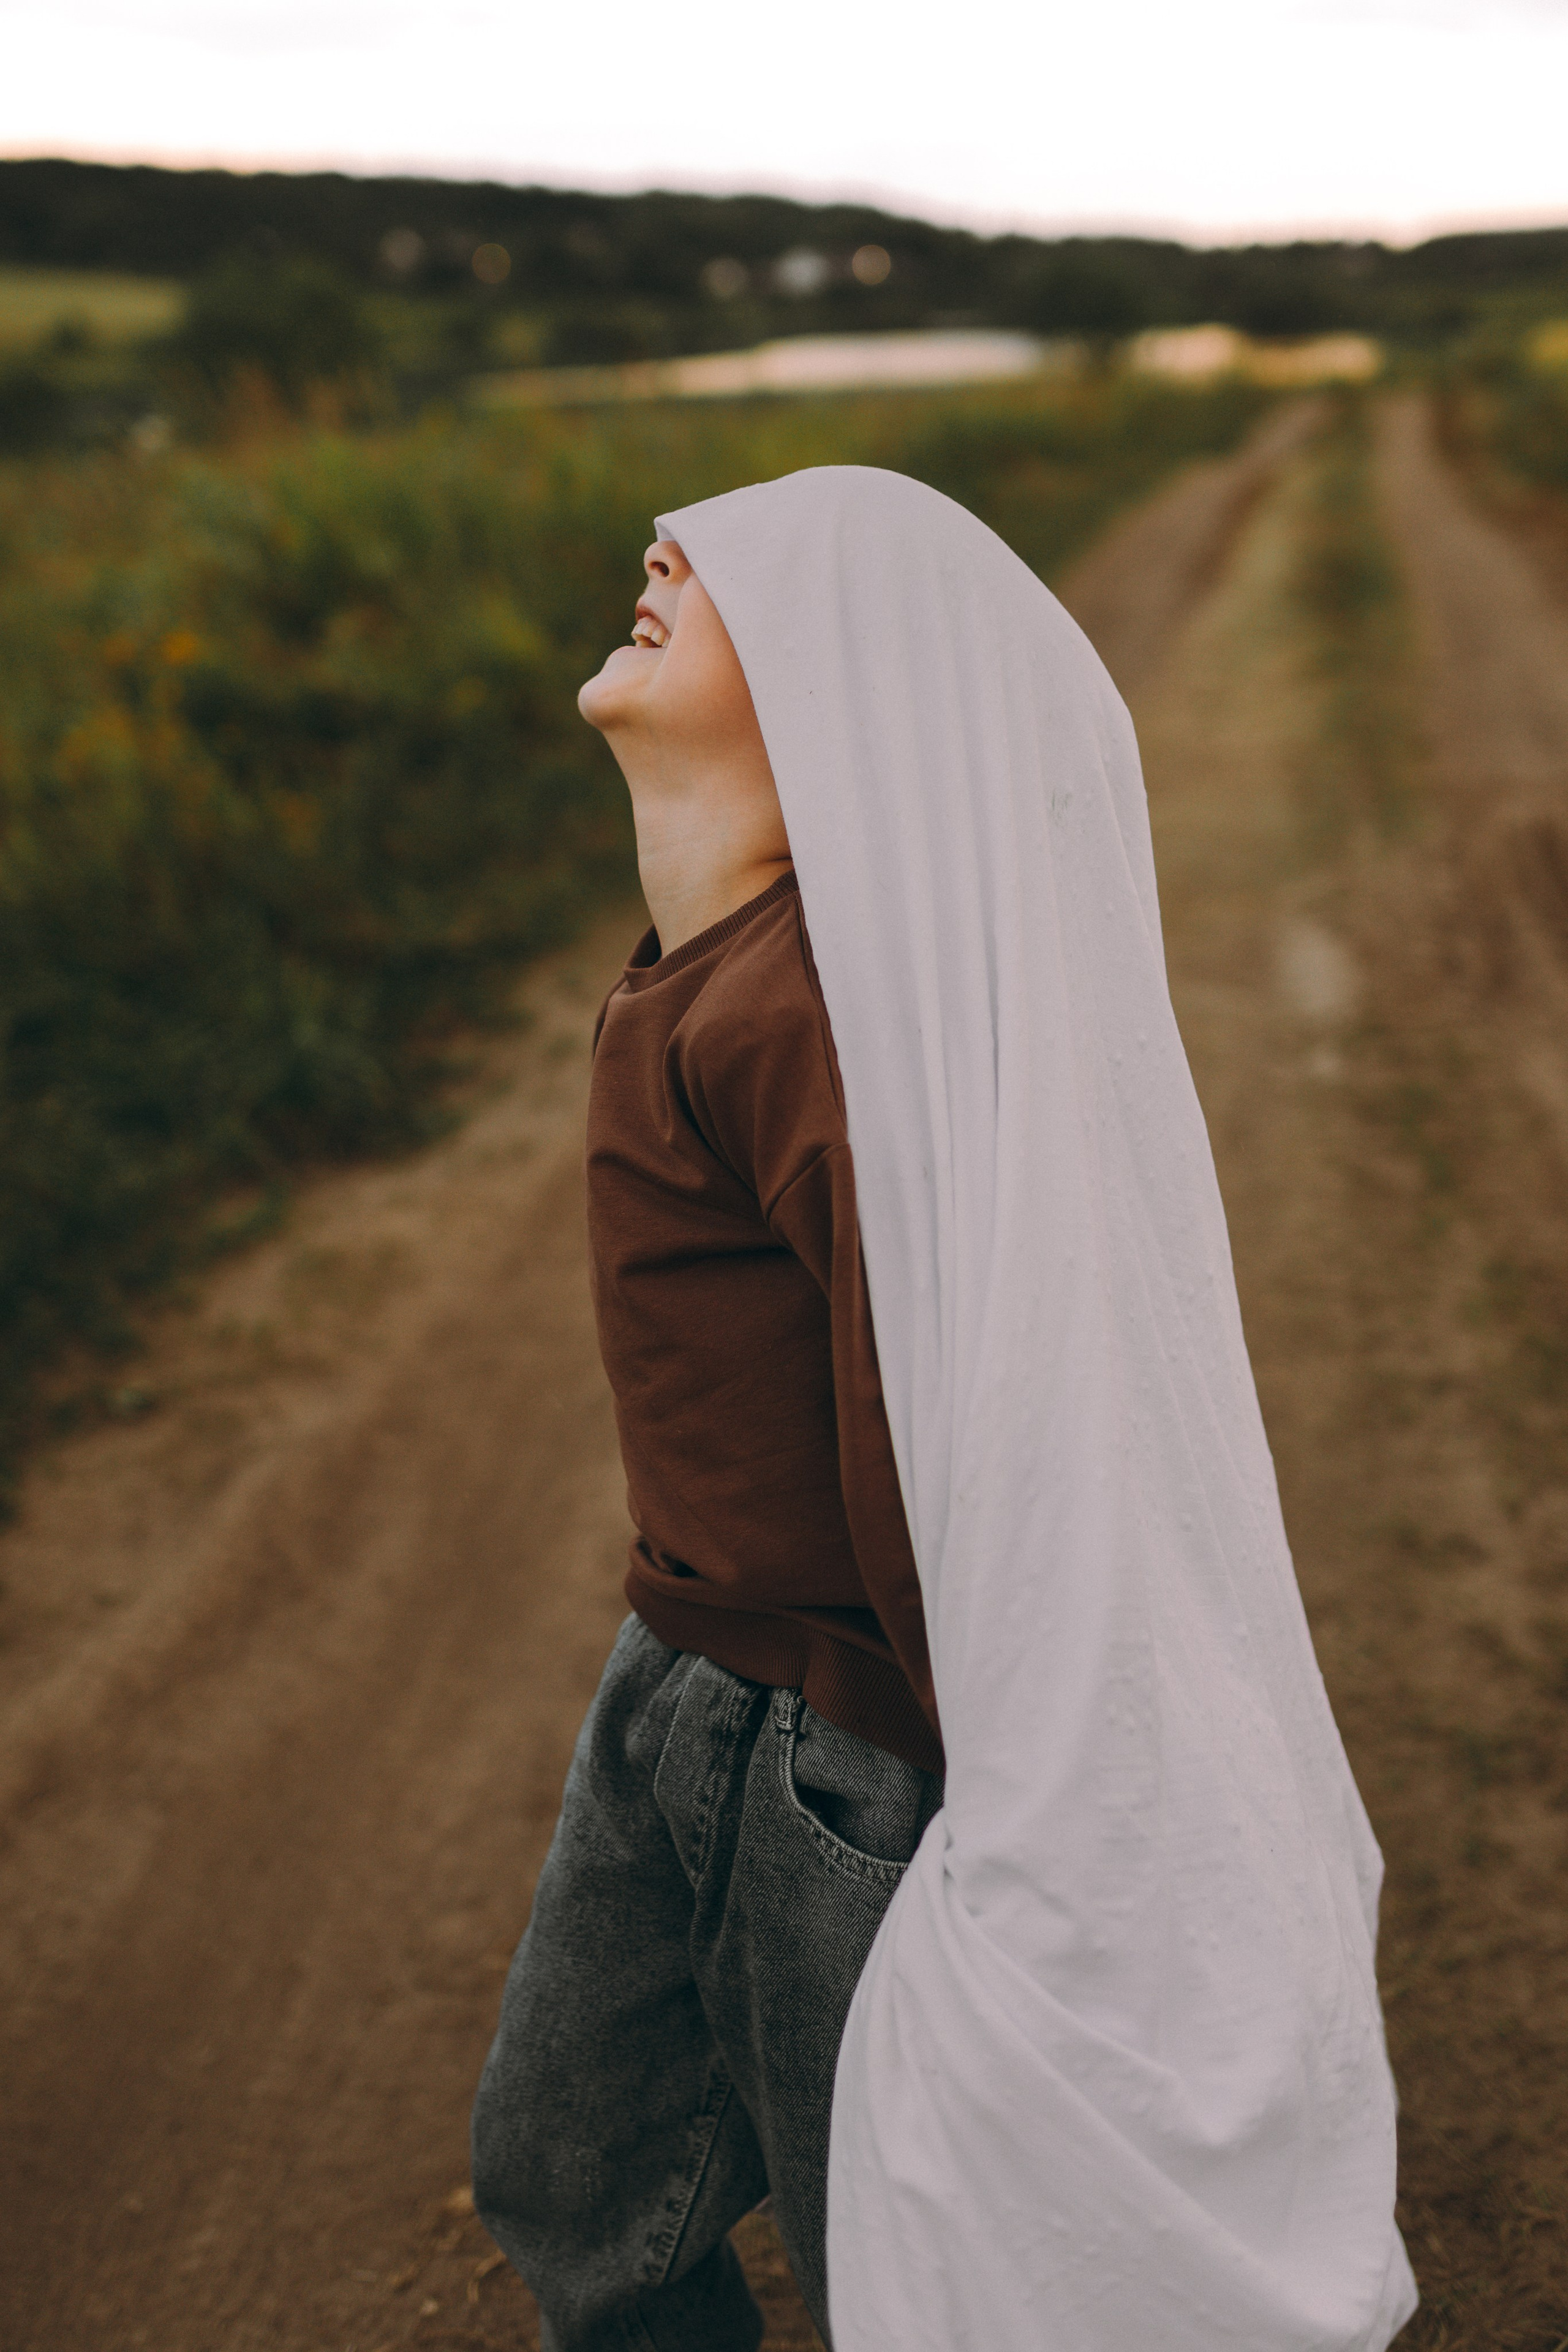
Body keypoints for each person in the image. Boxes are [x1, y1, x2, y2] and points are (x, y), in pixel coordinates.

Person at [473, 469, 1417, 2352]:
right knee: (565, 2164)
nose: (658, 554)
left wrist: (988, 1792)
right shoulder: (704, 972)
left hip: (821, 1741)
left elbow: (949, 1411)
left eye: (721, 563)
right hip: (670, 1678)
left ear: (834, 678)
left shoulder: (802, 1018)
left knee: (887, 2246)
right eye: (667, 536)